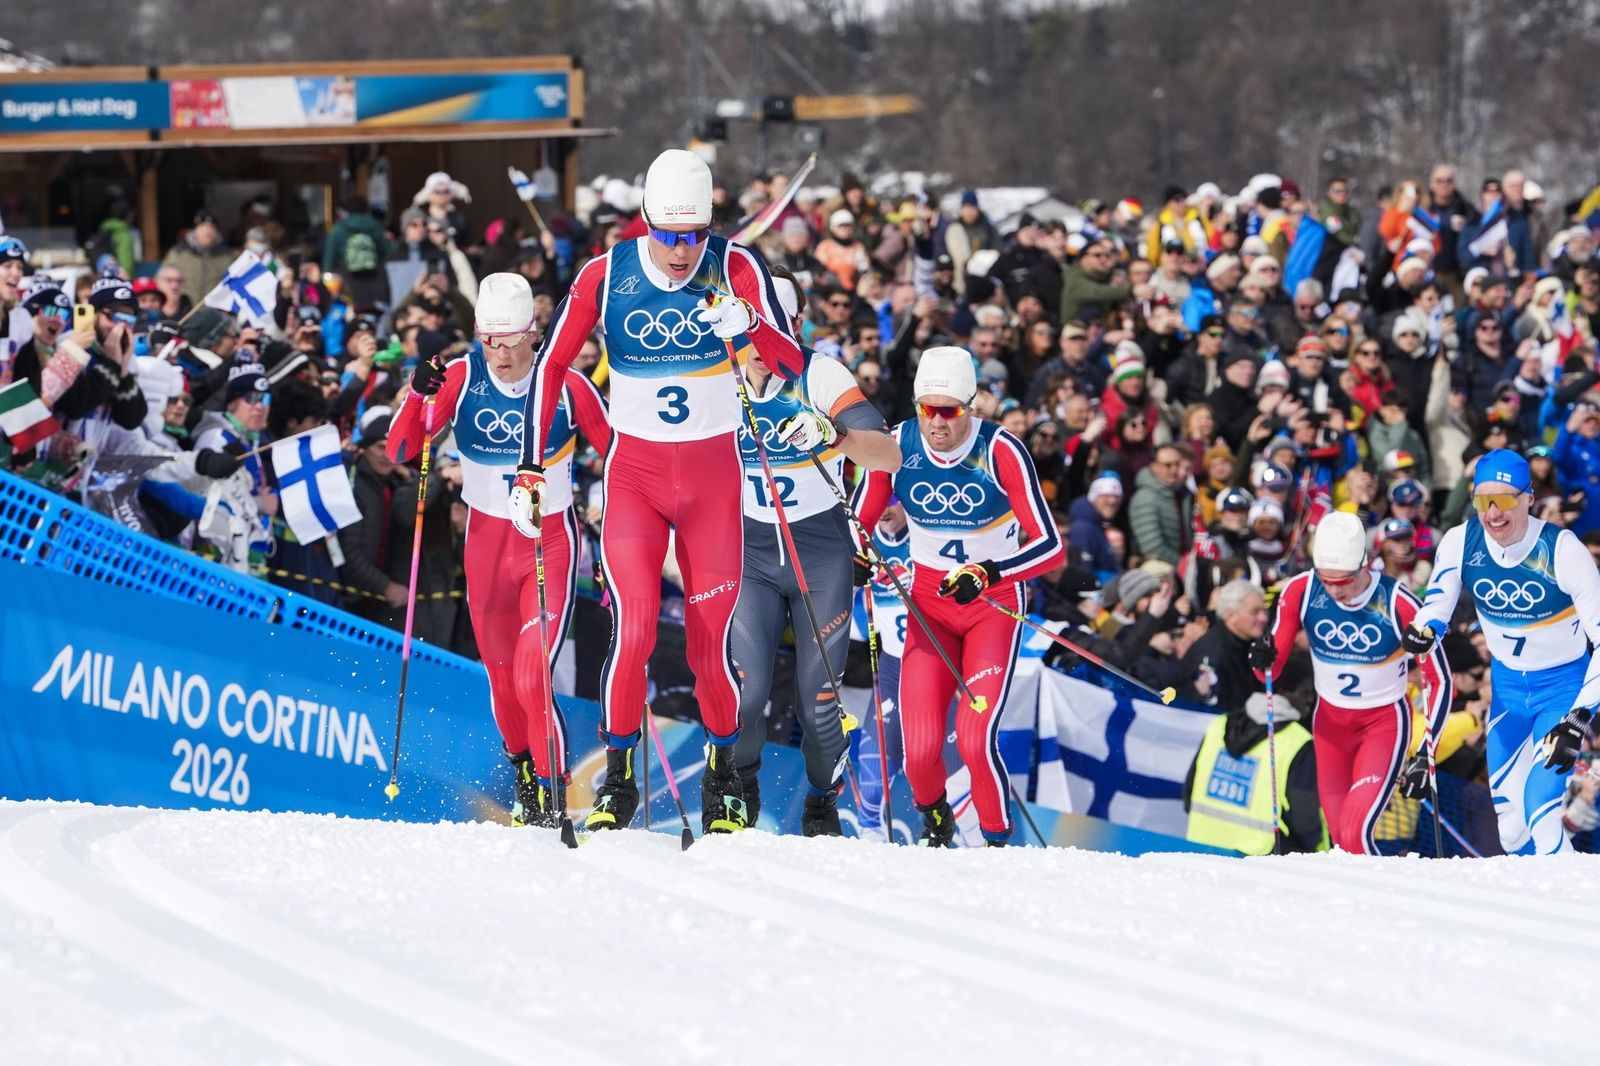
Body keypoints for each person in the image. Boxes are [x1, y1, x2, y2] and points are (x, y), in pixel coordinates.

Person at [511, 149, 804, 834]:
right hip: (636, 482)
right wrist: (531, 465)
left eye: (693, 235)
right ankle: (618, 779)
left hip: (712, 485)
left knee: (709, 643)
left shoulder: (736, 267)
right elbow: (551, 365)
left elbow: (792, 364)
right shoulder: (606, 274)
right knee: (635, 627)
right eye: (667, 236)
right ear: (644, 224)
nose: (680, 252)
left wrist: (752, 327)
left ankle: (723, 776)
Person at [389, 273, 609, 829]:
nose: (502, 354)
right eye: (491, 339)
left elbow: (620, 453)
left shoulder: (567, 383)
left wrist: (622, 512)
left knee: (535, 672)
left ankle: (553, 786)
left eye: (512, 340)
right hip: (485, 547)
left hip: (548, 544)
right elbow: (400, 448)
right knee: (502, 676)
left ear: (534, 333)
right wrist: (418, 394)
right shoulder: (461, 377)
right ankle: (523, 775)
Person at [854, 346, 1066, 846]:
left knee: (973, 741)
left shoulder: (1000, 450)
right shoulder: (899, 441)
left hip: (991, 608)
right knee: (920, 752)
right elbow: (862, 512)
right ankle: (936, 824)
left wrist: (990, 571)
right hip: (930, 608)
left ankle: (994, 843)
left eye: (950, 410)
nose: (938, 422)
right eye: (928, 408)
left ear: (972, 406)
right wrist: (855, 553)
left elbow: (1050, 546)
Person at [728, 268, 901, 836]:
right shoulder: (717, 374)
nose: (760, 346)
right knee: (747, 694)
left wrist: (836, 437)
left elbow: (887, 457)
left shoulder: (820, 373)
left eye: (773, 330)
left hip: (819, 553)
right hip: (750, 555)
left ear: (795, 328)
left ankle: (823, 799)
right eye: (750, 329)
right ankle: (739, 786)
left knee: (818, 704)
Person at [1404, 449, 1600, 854]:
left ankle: (1569, 907)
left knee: (1541, 812)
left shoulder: (1563, 550)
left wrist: (1580, 716)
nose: (1493, 513)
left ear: (1529, 497)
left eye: (1506, 499)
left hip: (1562, 691)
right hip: (1508, 693)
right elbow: (1438, 601)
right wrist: (1425, 628)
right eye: (1482, 501)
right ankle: (1535, 901)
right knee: (1511, 830)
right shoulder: (1461, 541)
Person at [1247, 512, 1451, 853]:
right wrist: (1261, 657)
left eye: (1343, 581)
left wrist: (1425, 755)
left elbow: (1440, 681)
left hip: (1382, 726)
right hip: (1329, 727)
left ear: (1366, 565)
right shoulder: (1303, 588)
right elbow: (1269, 671)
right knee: (1340, 842)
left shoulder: (1398, 601)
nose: (1333, 590)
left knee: (1357, 835)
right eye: (1326, 579)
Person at [1184, 685, 1327, 855]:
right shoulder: (1297, 742)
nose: (1310, 699)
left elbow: (1188, 794)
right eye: (1305, 691)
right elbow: (1305, 819)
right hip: (1259, 861)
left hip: (1201, 849)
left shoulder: (1219, 725)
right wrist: (1323, 853)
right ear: (1282, 690)